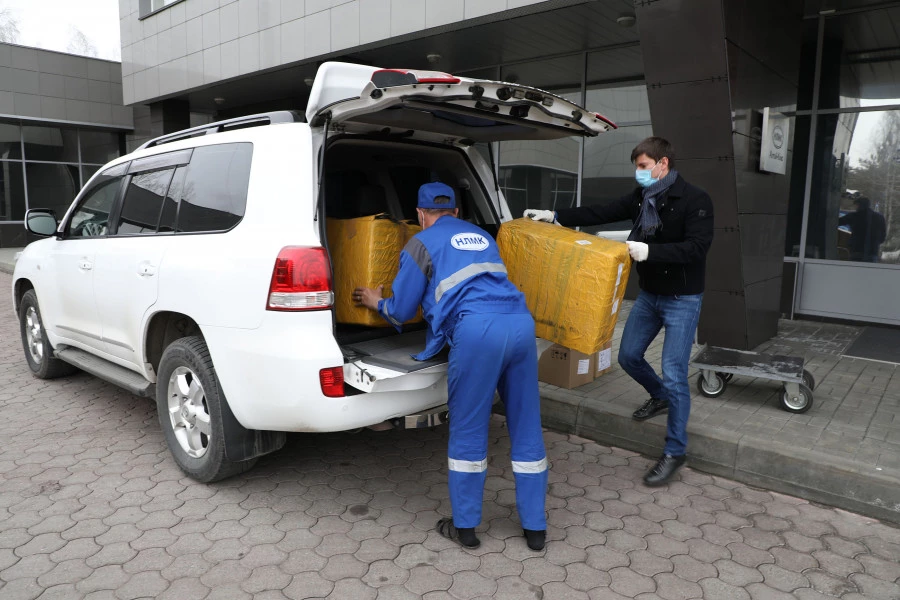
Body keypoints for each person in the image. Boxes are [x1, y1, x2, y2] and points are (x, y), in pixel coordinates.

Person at [354, 182, 548, 551]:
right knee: (525, 425)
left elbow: (402, 308)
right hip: (521, 325)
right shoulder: (481, 235)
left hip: (478, 331)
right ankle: (535, 529)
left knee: (469, 427)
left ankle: (466, 528)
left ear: (421, 215)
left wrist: (376, 301)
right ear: (457, 212)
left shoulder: (421, 242)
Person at [524, 137, 713, 487]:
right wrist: (555, 216)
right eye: (637, 166)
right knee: (627, 356)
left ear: (663, 164)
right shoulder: (643, 196)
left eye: (643, 166)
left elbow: (697, 248)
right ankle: (660, 397)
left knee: (674, 372)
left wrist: (650, 252)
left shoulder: (695, 199)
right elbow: (603, 211)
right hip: (650, 295)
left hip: (682, 299)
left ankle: (675, 451)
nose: (638, 172)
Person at [838, 196, 886, 262]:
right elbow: (882, 236)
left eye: (856, 205)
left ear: (859, 205)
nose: (855, 207)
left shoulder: (854, 216)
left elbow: (836, 222)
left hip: (856, 251)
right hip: (872, 252)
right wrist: (875, 243)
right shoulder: (879, 217)